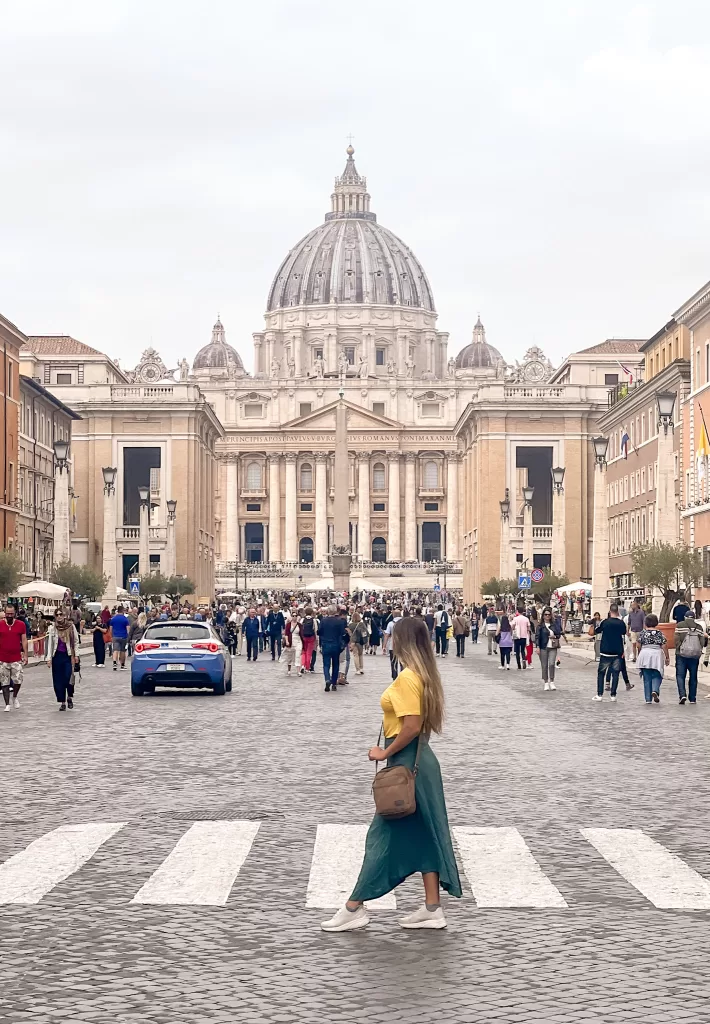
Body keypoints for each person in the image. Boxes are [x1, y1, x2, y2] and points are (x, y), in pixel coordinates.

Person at [320, 616, 462, 932]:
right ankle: (432, 908)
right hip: (419, 763)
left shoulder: (408, 678)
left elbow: (410, 725)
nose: (388, 641)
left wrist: (384, 752)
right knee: (425, 834)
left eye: (392, 636)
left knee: (379, 837)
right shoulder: (422, 675)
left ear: (403, 641)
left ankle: (354, 906)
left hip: (406, 762)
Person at [46, 609, 79, 711]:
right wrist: (49, 658)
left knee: (68, 677)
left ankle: (69, 696)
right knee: (58, 680)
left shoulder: (71, 626)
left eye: (61, 614)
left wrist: (76, 655)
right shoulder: (52, 628)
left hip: (68, 655)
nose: (59, 616)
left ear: (64, 615)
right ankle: (63, 702)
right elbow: (50, 644)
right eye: (57, 614)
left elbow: (76, 641)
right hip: (57, 656)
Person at [594, 604, 626, 701]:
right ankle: (613, 695)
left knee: (601, 673)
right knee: (615, 673)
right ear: (618, 612)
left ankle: (599, 695)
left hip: (605, 651)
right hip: (617, 652)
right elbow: (624, 633)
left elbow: (597, 630)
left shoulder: (605, 622)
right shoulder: (621, 623)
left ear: (610, 611)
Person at [0, 603, 28, 712]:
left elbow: (24, 640)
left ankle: (15, 696)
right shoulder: (0, 624)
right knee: (4, 682)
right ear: (5, 613)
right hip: (2, 658)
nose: (9, 616)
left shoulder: (21, 624)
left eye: (11, 613)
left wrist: (25, 654)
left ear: (15, 613)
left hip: (16, 657)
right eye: (7, 614)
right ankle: (7, 704)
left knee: (18, 680)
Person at [674, 611, 707, 705]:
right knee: (693, 676)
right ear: (694, 617)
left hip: (681, 655)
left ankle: (682, 694)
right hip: (694, 656)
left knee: (680, 675)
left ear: (685, 617)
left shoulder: (680, 626)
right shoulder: (699, 627)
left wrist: (680, 648)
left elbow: (676, 640)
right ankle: (692, 698)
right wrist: (698, 650)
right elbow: (702, 642)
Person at [636, 614, 669, 704]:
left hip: (645, 653)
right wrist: (667, 657)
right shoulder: (660, 634)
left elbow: (638, 645)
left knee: (646, 678)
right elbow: (664, 645)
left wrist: (639, 654)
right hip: (656, 654)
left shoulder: (642, 633)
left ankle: (648, 699)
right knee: (657, 674)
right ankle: (655, 690)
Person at [318, 606, 348, 691]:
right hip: (336, 644)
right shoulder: (339, 621)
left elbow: (319, 632)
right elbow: (342, 633)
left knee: (326, 664)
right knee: (336, 664)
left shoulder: (324, 620)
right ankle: (334, 683)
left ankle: (327, 679)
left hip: (326, 644)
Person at [535, 606, 564, 690]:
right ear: (543, 615)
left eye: (549, 614)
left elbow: (559, 634)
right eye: (546, 614)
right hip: (543, 647)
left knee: (551, 664)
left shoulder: (554, 625)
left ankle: (552, 681)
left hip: (553, 646)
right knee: (544, 665)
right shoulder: (540, 626)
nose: (547, 616)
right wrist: (537, 647)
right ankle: (546, 682)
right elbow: (537, 637)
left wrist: (554, 636)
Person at [384, 607, 404, 680]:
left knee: (393, 662)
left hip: (393, 645)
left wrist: (384, 645)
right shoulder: (404, 623)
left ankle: (394, 677)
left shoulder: (390, 623)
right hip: (403, 645)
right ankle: (402, 676)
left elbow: (386, 635)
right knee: (403, 663)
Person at [110, 605, 130, 671]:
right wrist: (128, 637)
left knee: (115, 650)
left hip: (115, 636)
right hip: (123, 636)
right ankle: (122, 665)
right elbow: (128, 630)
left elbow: (111, 629)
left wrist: (111, 636)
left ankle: (114, 663)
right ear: (122, 611)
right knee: (122, 651)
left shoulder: (113, 619)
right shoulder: (125, 619)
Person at [299, 607, 317, 675]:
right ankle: (307, 668)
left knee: (303, 652)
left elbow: (300, 628)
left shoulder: (302, 619)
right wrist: (316, 639)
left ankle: (302, 665)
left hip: (303, 637)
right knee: (309, 653)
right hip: (311, 637)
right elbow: (315, 630)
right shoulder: (314, 620)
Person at [349, 611, 368, 675]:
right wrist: (366, 641)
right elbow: (366, 633)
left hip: (353, 642)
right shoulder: (362, 624)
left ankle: (357, 669)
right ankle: (361, 668)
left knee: (355, 655)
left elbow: (349, 634)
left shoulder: (350, 625)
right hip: (361, 641)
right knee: (360, 655)